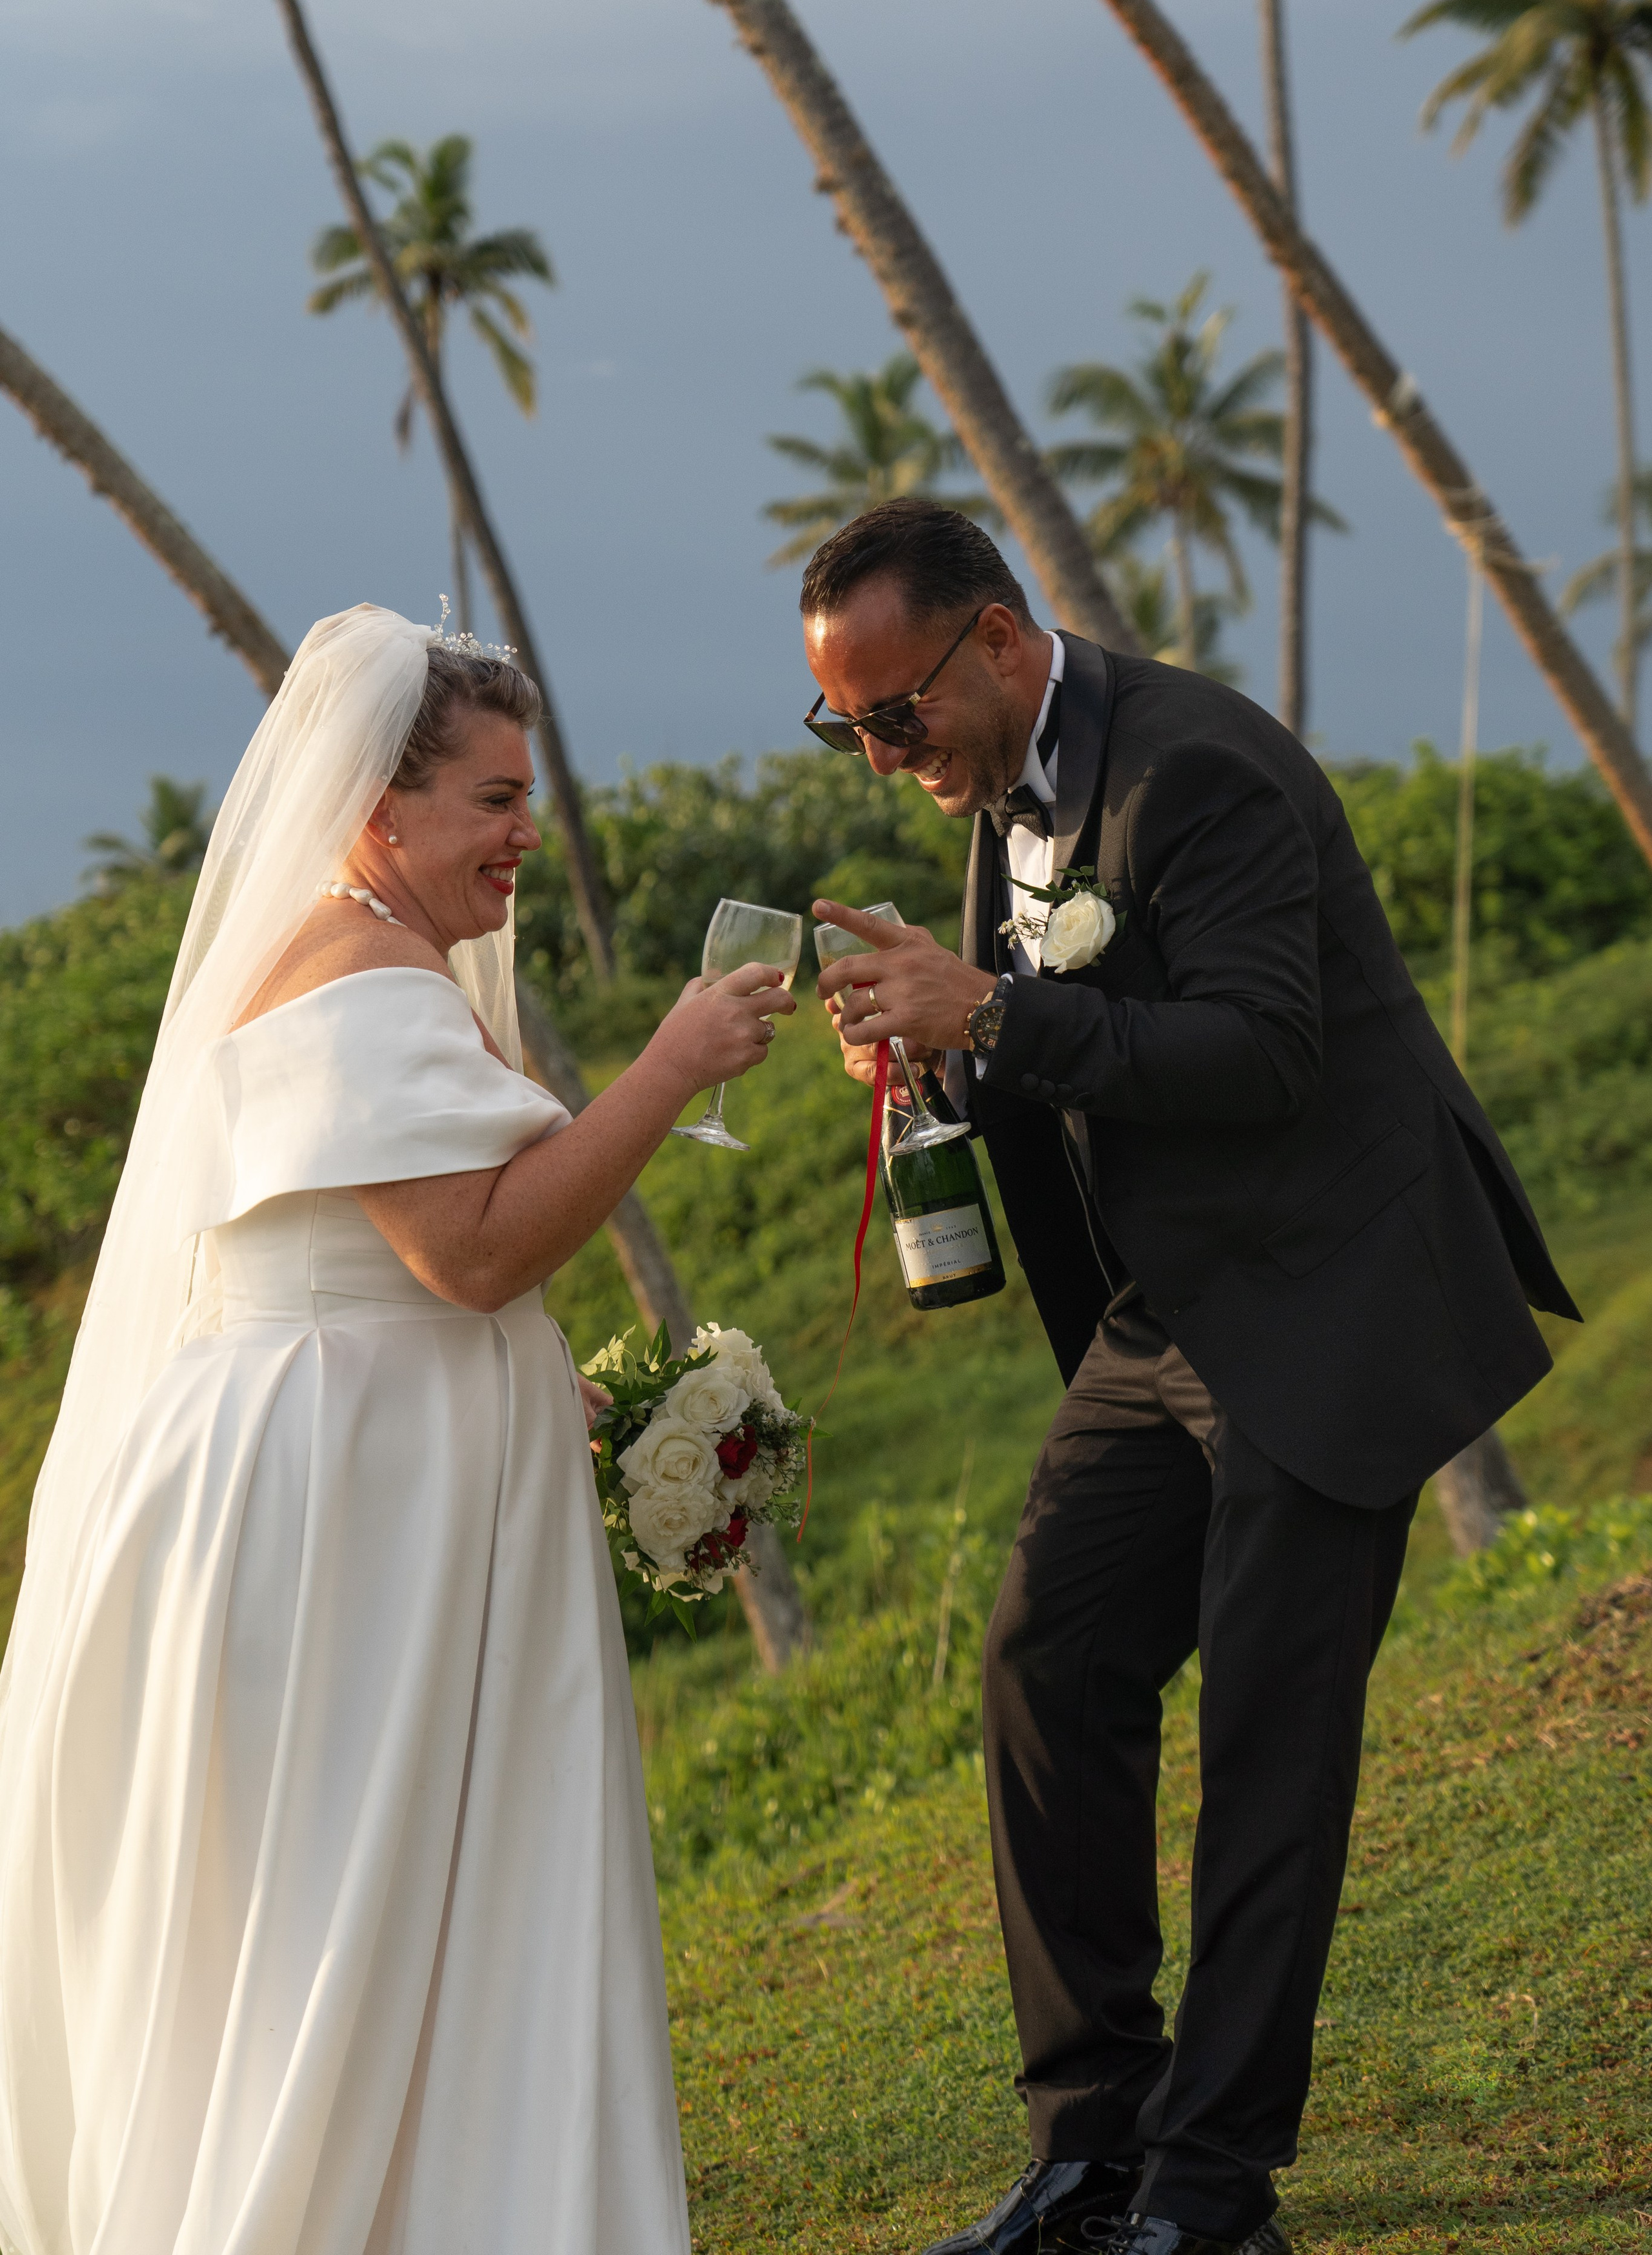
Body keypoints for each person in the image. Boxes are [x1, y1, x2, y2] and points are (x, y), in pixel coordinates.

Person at [804, 500, 1575, 2255]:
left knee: (1266, 1745)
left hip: (1330, 1291)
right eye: (846, 730)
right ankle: (1092, 2151)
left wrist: (992, 1015)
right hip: (1167, 1317)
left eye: (896, 713)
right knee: (1045, 1664)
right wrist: (942, 1058)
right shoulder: (1001, 786)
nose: (884, 756)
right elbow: (1075, 1044)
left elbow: (1260, 1048)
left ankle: (1213, 2195)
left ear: (999, 638)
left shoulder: (1195, 770)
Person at [0, 604, 793, 2255]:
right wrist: (669, 1066)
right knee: (344, 1905)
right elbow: (472, 1253)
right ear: (378, 808)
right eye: (492, 800)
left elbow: (381, 1267)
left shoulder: (368, 961)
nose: (524, 834)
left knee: (373, 1903)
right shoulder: (359, 982)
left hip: (350, 1482)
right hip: (339, 1523)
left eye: (526, 799)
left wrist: (555, 1390)